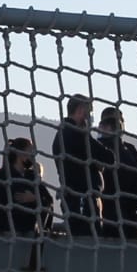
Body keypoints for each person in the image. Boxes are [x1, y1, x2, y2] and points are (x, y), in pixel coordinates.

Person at [96, 107, 137, 240]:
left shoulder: (130, 150)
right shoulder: (98, 148)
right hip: (111, 214)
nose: (121, 123)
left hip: (126, 214)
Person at [52, 95, 100, 235]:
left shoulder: (62, 134)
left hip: (76, 199)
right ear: (80, 110)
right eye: (89, 112)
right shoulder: (77, 135)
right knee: (85, 238)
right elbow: (108, 157)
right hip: (82, 202)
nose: (90, 117)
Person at [0, 137, 54, 236]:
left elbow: (49, 201)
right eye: (30, 152)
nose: (33, 156)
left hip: (32, 233)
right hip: (7, 232)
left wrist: (34, 199)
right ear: (20, 154)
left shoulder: (32, 177)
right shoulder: (1, 177)